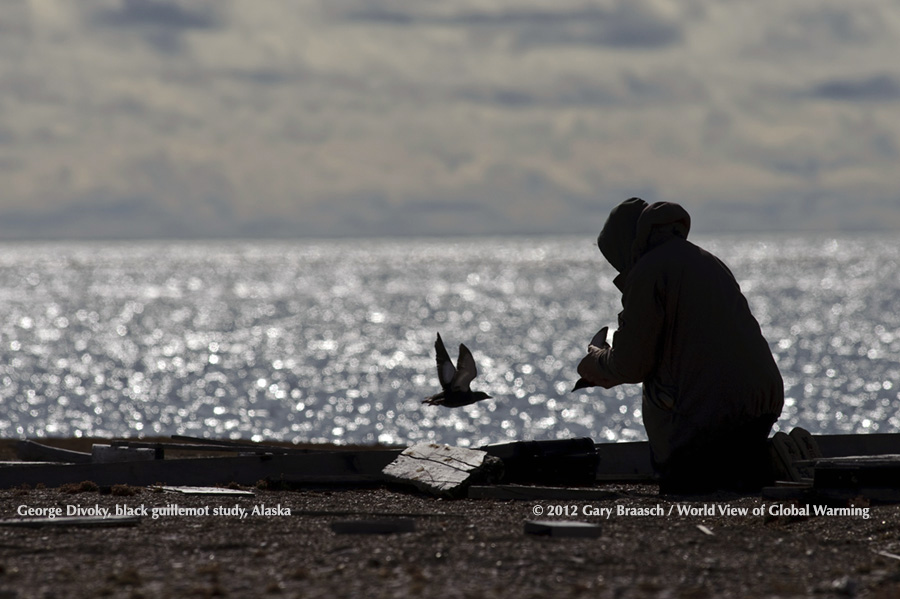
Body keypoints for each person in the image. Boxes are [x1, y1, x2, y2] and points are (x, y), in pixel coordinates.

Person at [576, 198, 784, 494]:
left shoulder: (648, 271)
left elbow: (631, 365)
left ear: (624, 245)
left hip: (708, 412)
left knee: (682, 485)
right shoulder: (704, 259)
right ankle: (761, 463)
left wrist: (594, 362)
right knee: (737, 479)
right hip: (760, 401)